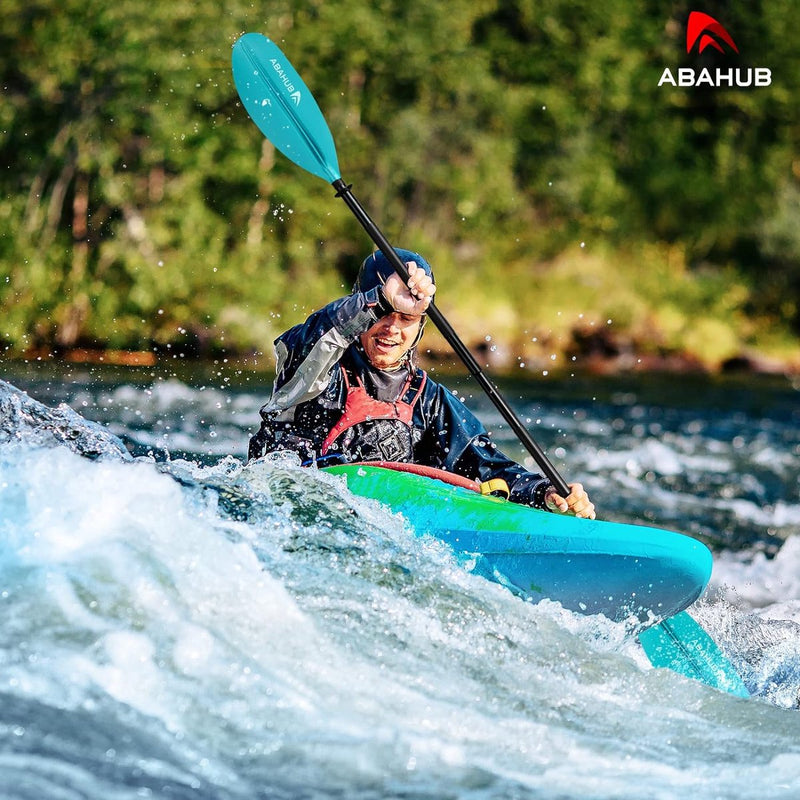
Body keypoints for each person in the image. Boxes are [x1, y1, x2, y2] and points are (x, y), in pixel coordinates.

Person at [249, 248, 595, 519]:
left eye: (406, 318)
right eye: (383, 315)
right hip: (290, 512)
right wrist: (379, 298)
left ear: (420, 326)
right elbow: (309, 342)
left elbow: (486, 466)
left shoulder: (429, 400)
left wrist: (544, 492)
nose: (392, 328)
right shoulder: (317, 370)